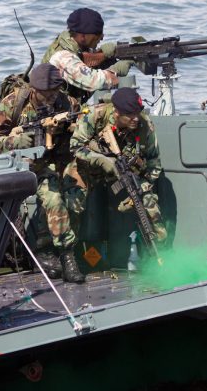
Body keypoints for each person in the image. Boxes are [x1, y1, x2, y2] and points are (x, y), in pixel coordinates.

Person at [0, 63, 84, 282]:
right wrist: (15, 140)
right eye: (43, 95)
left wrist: (69, 130)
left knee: (56, 200)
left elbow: (82, 134)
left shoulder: (67, 103)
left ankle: (67, 256)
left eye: (53, 94)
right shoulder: (13, 103)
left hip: (44, 167)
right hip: (13, 168)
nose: (49, 99)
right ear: (33, 90)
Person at [64, 87, 167, 267]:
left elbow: (154, 164)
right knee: (73, 199)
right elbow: (75, 146)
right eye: (130, 115)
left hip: (123, 173)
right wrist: (100, 159)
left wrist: (141, 188)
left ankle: (159, 259)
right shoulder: (96, 116)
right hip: (89, 168)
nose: (136, 118)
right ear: (117, 112)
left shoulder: (145, 126)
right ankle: (69, 254)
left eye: (138, 113)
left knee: (149, 206)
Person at [41, 8, 132, 102]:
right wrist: (115, 70)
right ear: (82, 37)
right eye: (97, 34)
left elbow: (84, 61)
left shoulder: (70, 43)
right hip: (49, 112)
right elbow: (93, 81)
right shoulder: (63, 57)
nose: (101, 37)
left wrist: (104, 54)